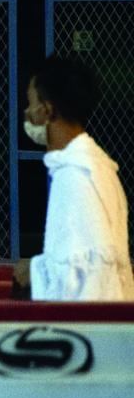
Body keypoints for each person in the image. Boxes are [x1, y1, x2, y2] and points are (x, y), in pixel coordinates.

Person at [15, 56, 134, 301]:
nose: (28, 113)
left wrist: (33, 273)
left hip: (91, 322)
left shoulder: (75, 176)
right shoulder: (97, 167)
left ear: (47, 109)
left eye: (31, 102)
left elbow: (83, 276)